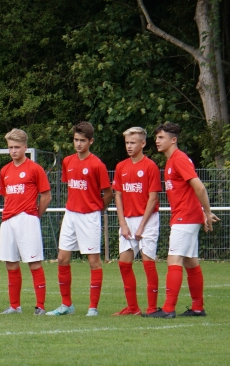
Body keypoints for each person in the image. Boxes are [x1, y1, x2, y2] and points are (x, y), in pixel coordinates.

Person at [145, 122, 220, 318]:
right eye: (157, 137)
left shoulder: (179, 159)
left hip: (185, 217)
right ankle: (197, 308)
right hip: (186, 215)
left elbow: (200, 188)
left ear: (173, 140)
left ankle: (168, 309)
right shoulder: (171, 161)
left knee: (174, 259)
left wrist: (207, 211)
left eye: (161, 137)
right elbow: (190, 191)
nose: (157, 141)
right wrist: (202, 213)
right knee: (189, 261)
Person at [47, 122, 112, 317]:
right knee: (62, 258)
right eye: (76, 140)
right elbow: (72, 186)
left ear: (90, 141)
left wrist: (96, 208)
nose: (78, 144)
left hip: (89, 217)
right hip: (71, 215)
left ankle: (93, 307)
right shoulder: (67, 161)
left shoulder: (97, 165)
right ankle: (66, 304)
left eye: (82, 140)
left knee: (93, 261)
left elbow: (108, 193)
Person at [0, 128, 51, 315]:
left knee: (34, 263)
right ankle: (14, 306)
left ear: (25, 148)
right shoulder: (4, 170)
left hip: (27, 219)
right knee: (11, 263)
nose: (13, 151)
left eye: (17, 147)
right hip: (8, 220)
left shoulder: (35, 169)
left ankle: (40, 306)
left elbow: (46, 196)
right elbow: (6, 196)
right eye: (10, 147)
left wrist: (35, 215)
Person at [112, 127, 162, 315]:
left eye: (133, 142)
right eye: (127, 143)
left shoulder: (150, 167)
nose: (129, 146)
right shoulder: (121, 167)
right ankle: (133, 308)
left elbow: (153, 198)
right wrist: (123, 223)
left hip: (147, 220)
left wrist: (141, 226)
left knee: (148, 262)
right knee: (124, 263)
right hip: (128, 220)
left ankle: (151, 308)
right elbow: (118, 195)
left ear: (143, 144)